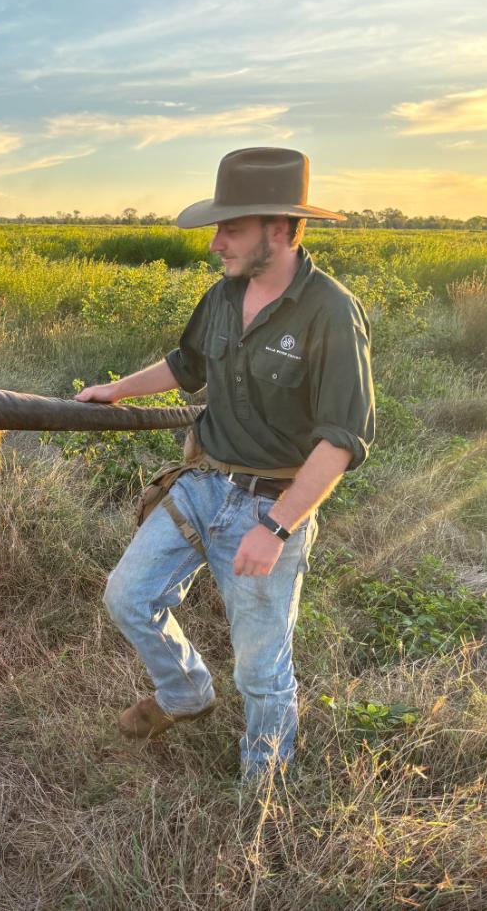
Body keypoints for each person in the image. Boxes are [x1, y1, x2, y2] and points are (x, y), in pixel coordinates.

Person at [75, 147, 375, 779]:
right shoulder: (221, 297)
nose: (215, 243)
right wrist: (119, 389)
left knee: (260, 668)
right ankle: (185, 693)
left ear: (281, 228)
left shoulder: (330, 311)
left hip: (270, 502)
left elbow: (341, 440)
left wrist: (277, 527)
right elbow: (186, 366)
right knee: (128, 596)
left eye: (229, 228)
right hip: (204, 482)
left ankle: (263, 793)